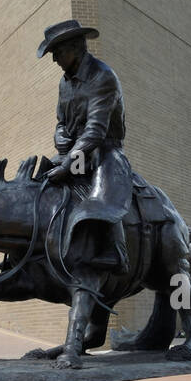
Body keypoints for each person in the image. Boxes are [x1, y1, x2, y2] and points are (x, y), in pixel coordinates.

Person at [37, 19, 132, 276]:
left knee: (103, 194)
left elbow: (95, 132)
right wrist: (61, 142)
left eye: (58, 52)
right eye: (52, 53)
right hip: (74, 152)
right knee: (37, 182)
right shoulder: (64, 83)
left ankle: (117, 251)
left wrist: (68, 166)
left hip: (103, 150)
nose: (55, 59)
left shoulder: (103, 77)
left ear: (76, 47)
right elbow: (61, 122)